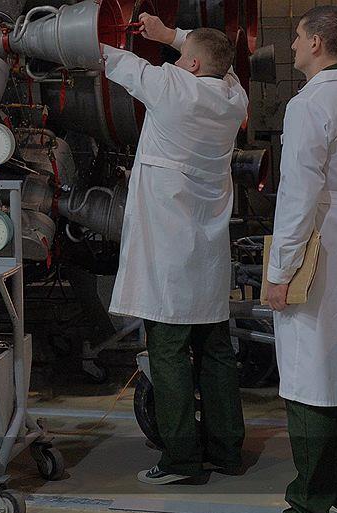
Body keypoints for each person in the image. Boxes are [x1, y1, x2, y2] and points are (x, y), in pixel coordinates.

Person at [247, 6, 337, 513]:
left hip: (320, 247)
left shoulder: (310, 106)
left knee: (309, 376)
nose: (292, 46)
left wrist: (279, 271)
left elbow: (297, 197)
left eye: (298, 37)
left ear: (316, 43)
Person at [103, 13, 248, 485]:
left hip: (167, 256)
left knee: (167, 354)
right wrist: (169, 35)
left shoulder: (171, 88)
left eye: (182, 56)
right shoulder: (234, 98)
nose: (176, 59)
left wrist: (96, 34)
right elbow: (221, 61)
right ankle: (227, 451)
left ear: (192, 65)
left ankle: (181, 460)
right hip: (207, 254)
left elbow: (109, 57)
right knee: (215, 352)